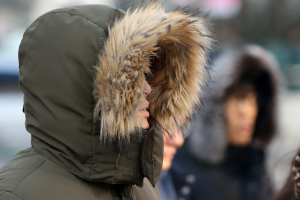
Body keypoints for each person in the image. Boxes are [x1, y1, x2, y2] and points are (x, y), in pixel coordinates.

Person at [0, 2, 213, 200]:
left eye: (147, 74)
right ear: (85, 84)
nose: (148, 88)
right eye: (133, 77)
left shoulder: (138, 182)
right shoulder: (16, 192)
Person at [171, 45, 281, 200]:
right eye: (238, 98)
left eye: (254, 100)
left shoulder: (256, 168)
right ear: (212, 107)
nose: (247, 112)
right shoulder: (179, 169)